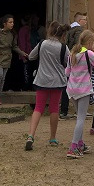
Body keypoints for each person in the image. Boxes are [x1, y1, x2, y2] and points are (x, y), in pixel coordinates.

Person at [25, 21, 70, 151]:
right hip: (57, 81)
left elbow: (31, 57)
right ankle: (52, 137)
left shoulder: (42, 44)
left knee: (38, 108)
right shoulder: (63, 47)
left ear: (49, 31)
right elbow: (68, 62)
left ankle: (30, 135)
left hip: (42, 80)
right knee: (54, 108)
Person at [64, 29, 94, 158]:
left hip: (71, 89)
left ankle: (80, 144)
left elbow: (67, 72)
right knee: (81, 119)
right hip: (83, 89)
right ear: (89, 42)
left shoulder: (72, 54)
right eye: (93, 43)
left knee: (79, 116)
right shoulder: (88, 54)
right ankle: (73, 148)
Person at [0, 14, 28, 105]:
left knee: (3, 78)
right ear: (4, 23)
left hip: (7, 59)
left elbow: (14, 46)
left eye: (13, 22)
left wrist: (22, 53)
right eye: (10, 22)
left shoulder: (12, 34)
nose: (12, 24)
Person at [60, 12, 87, 120]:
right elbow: (78, 46)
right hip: (76, 60)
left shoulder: (69, 30)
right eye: (84, 20)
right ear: (79, 21)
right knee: (79, 84)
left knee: (67, 84)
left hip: (67, 59)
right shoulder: (79, 30)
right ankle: (77, 110)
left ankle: (64, 110)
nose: (86, 22)